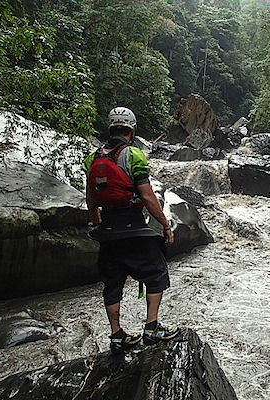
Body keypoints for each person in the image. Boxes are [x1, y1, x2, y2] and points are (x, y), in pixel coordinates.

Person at [82, 106, 179, 355]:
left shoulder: (93, 158)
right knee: (156, 273)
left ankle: (117, 335)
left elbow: (91, 199)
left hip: (108, 226)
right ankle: (152, 327)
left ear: (111, 128)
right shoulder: (133, 155)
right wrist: (165, 224)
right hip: (133, 225)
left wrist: (97, 226)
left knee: (112, 282)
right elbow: (147, 196)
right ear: (131, 130)